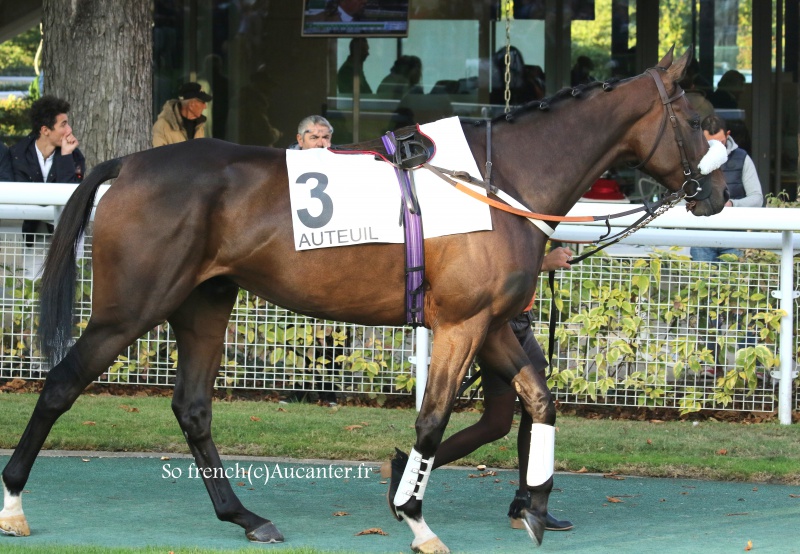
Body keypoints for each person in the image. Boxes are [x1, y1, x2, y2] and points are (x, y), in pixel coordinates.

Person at [433, 246, 575, 532]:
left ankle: (528, 506)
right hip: (499, 325)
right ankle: (412, 469)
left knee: (537, 410)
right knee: (497, 423)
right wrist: (543, 262)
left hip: (519, 321)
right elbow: (489, 269)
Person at [10, 95, 85, 244]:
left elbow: (70, 194)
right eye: (63, 125)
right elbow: (22, 196)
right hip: (34, 233)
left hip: (67, 234)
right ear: (45, 130)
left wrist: (66, 156)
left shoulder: (74, 155)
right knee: (32, 268)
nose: (69, 130)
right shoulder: (18, 154)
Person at [690, 114, 763, 262]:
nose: (715, 149)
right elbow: (678, 197)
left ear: (728, 135)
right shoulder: (690, 160)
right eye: (710, 144)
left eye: (720, 143)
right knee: (702, 283)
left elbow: (757, 198)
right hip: (701, 236)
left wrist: (733, 204)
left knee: (734, 284)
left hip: (734, 236)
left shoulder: (742, 158)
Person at [152, 82, 213, 147]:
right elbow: (157, 155)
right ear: (191, 105)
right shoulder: (162, 127)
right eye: (203, 102)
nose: (205, 107)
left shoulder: (199, 127)